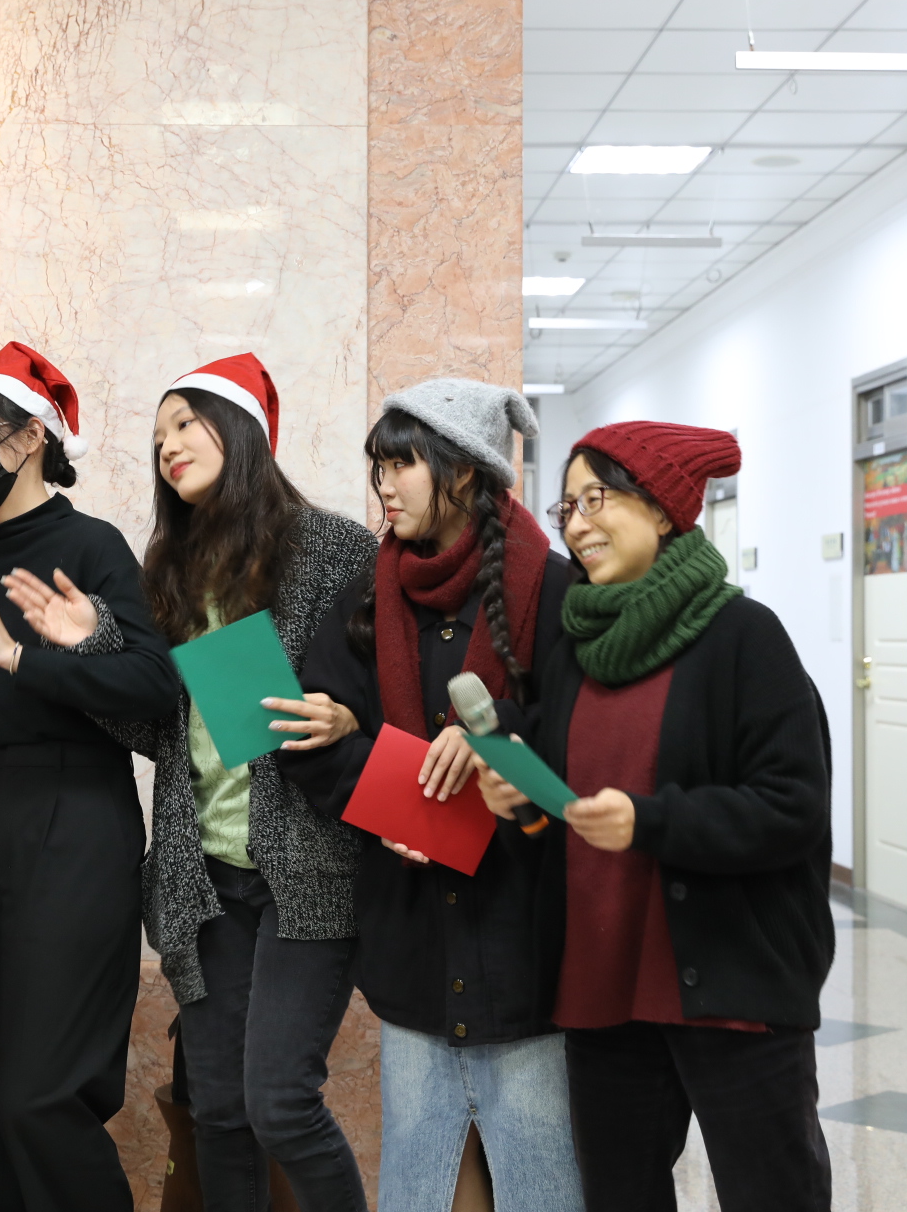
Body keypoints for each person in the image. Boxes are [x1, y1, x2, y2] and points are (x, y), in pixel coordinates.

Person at [7, 353, 376, 1211]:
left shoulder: (334, 548)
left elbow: (389, 687)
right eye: (158, 435)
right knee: (217, 1113)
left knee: (281, 1105)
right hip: (202, 879)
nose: (168, 445)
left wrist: (351, 719)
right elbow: (160, 732)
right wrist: (91, 647)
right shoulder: (171, 565)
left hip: (305, 869)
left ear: (242, 431)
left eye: (185, 422)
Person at [472, 422, 835, 1212]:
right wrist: (520, 807)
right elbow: (558, 820)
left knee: (773, 1194)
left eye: (596, 499)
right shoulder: (574, 650)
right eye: (567, 506)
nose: (576, 524)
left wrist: (650, 822)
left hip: (731, 987)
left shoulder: (744, 637)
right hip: (602, 987)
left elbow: (792, 808)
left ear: (663, 510)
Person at [281, 379, 584, 1212]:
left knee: (543, 1189)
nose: (384, 485)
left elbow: (583, 744)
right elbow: (310, 744)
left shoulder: (556, 595)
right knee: (423, 1189)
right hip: (413, 949)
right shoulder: (363, 602)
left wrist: (496, 742)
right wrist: (391, 798)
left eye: (403, 465)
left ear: (464, 470)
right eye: (378, 467)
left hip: (526, 954)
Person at [0, 342, 180, 1212]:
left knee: (41, 1097)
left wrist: (27, 656)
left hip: (81, 822)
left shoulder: (92, 545)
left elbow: (155, 688)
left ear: (29, 438)